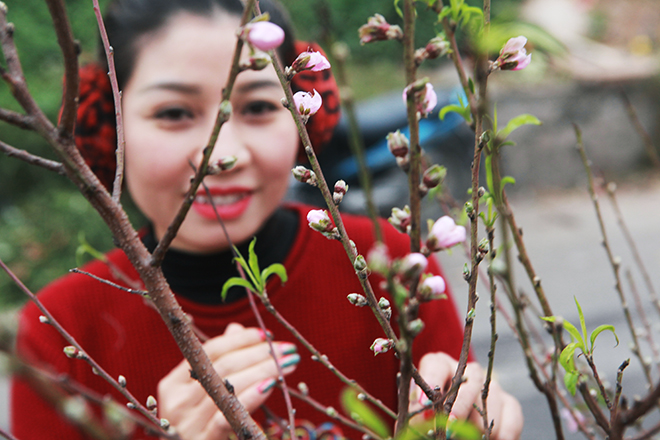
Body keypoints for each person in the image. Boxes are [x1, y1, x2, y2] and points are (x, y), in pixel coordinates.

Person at [10, 0, 523, 439]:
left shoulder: (388, 264)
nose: (222, 155)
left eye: (257, 106)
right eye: (173, 113)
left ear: (304, 119)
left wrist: (477, 415)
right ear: (109, 125)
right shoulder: (59, 330)